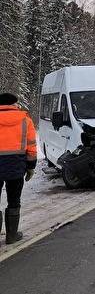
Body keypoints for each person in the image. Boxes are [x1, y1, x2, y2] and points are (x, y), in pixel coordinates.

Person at [0, 93, 36, 245]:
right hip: (16, 166)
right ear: (15, 104)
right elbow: (32, 147)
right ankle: (11, 236)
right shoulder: (25, 120)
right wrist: (31, 167)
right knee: (14, 200)